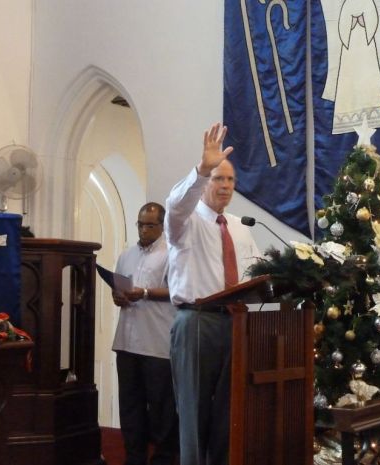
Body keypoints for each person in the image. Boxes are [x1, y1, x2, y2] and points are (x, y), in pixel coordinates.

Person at [166, 123, 260, 465]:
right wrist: (202, 168)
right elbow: (175, 205)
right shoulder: (186, 222)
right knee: (194, 414)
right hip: (198, 324)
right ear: (206, 183)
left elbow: (257, 273)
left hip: (236, 325)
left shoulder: (239, 226)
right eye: (218, 179)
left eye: (230, 180)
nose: (225, 186)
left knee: (228, 415)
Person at [111, 202, 179, 465]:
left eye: (150, 225)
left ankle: (162, 460)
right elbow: (120, 287)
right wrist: (119, 296)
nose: (143, 229)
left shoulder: (172, 254)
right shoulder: (126, 255)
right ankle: (134, 459)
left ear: (162, 226)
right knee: (130, 407)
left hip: (157, 344)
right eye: (140, 224)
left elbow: (179, 292)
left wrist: (146, 293)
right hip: (127, 341)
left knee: (162, 410)